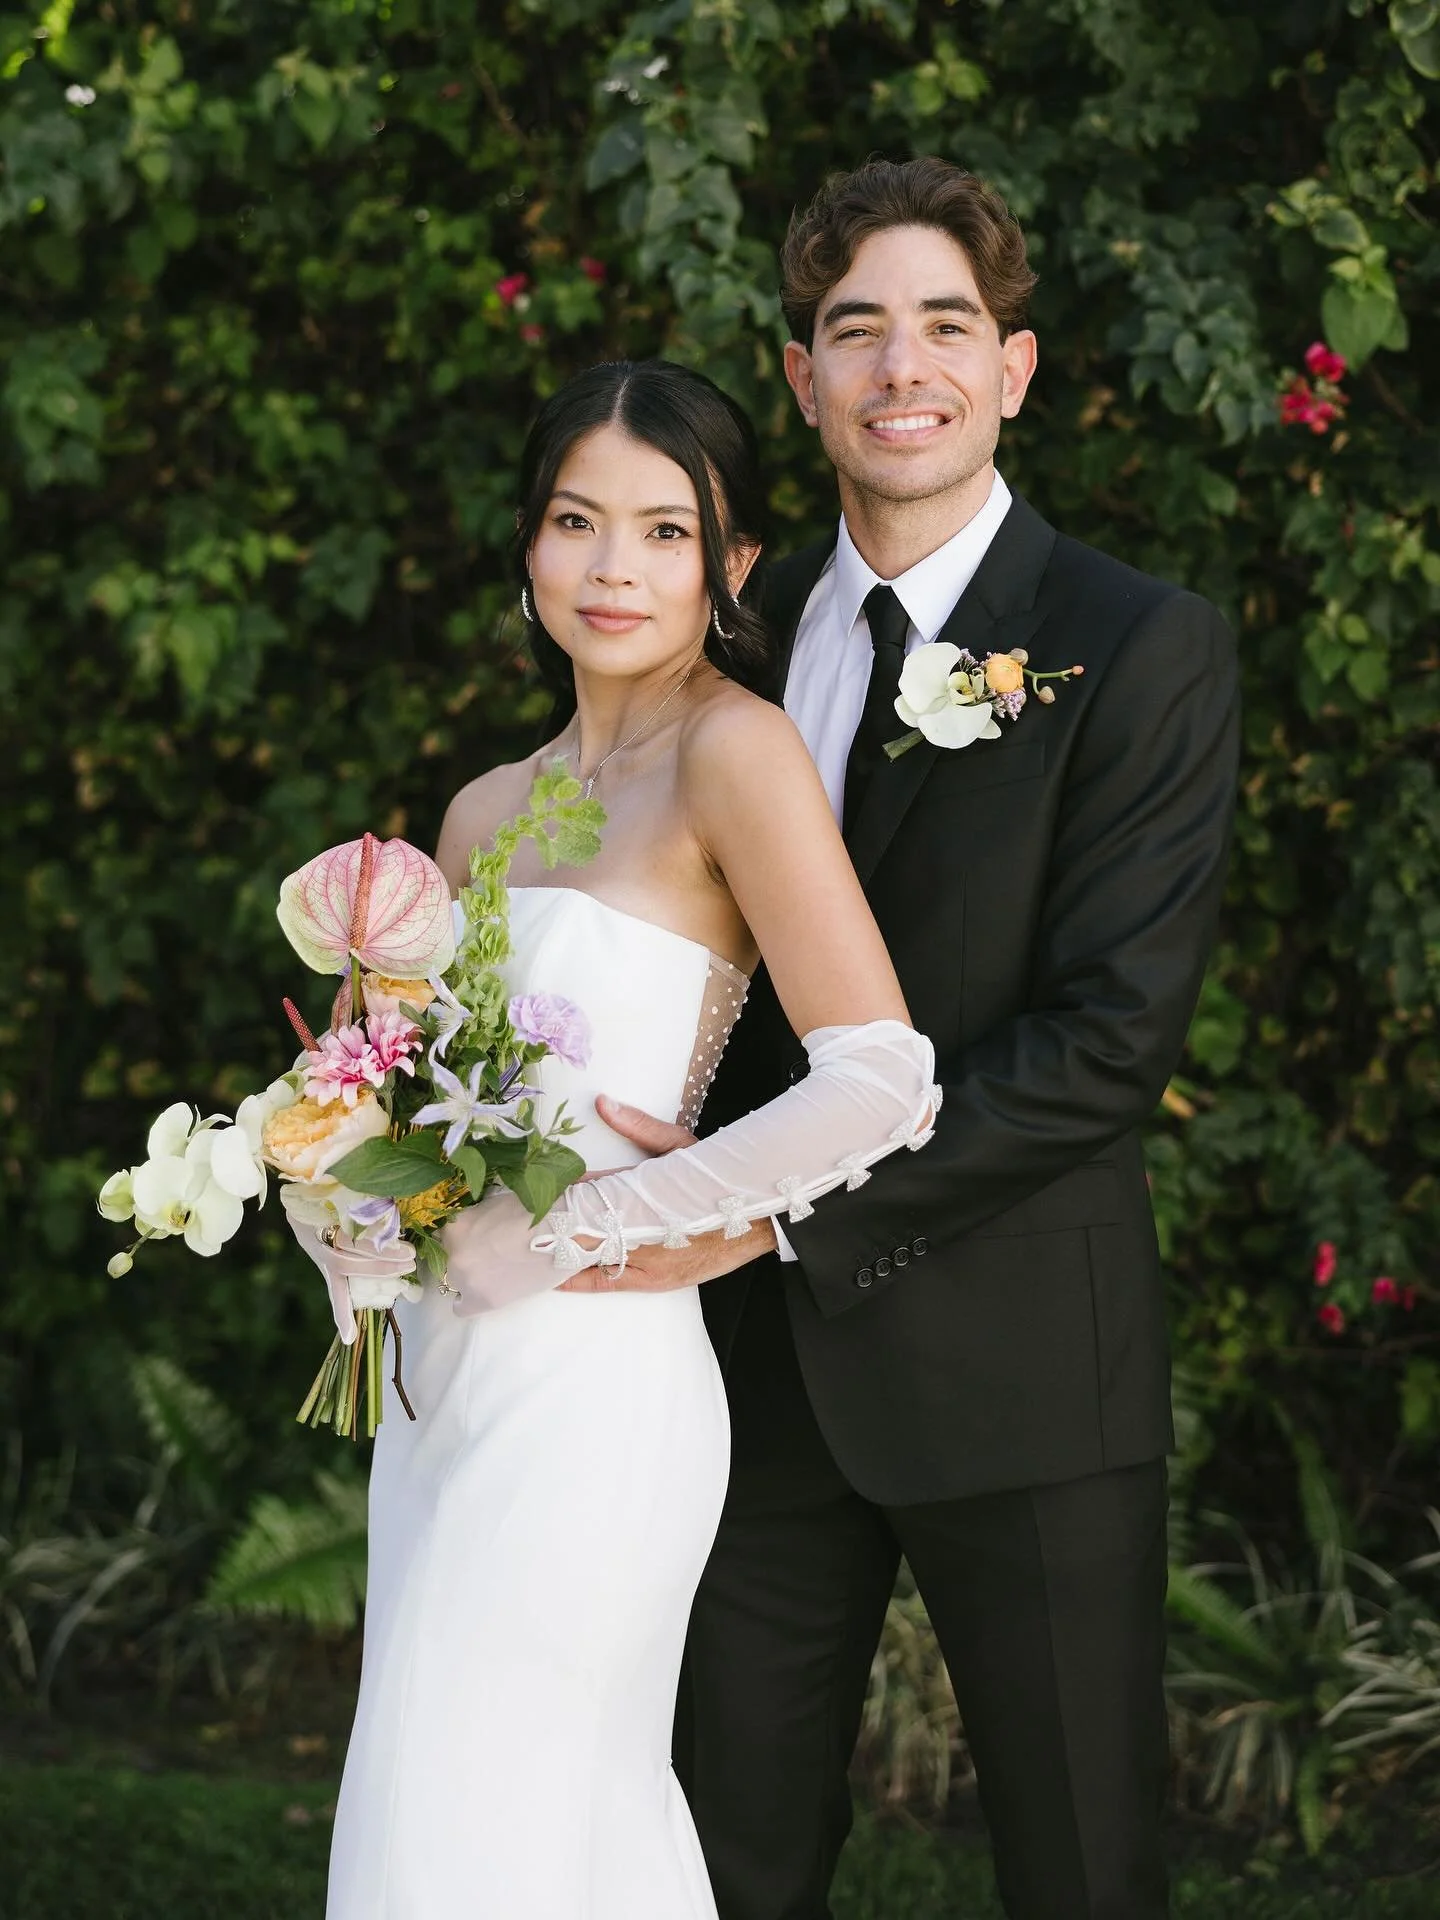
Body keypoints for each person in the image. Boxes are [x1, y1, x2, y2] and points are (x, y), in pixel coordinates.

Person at [592, 158, 1241, 1919]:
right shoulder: (724, 625)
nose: (902, 367)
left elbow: (1109, 1041)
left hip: (1024, 1364)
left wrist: (774, 1202)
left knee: (1080, 1865)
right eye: (853, 329)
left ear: (1013, 370)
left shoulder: (1138, 644)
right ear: (799, 377)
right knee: (720, 1858)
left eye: (945, 325)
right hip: (744, 1381)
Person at [291, 357, 940, 1920]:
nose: (612, 568)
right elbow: (404, 1105)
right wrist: (352, 1217)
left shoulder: (739, 754)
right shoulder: (476, 810)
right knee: (427, 1790)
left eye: (662, 531)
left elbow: (883, 1077)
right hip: (445, 1390)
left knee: (515, 1797)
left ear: (728, 570)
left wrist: (601, 1218)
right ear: (529, 549)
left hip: (602, 1389)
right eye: (578, 522)